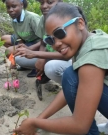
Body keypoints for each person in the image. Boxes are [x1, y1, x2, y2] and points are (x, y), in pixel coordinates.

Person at [13, 2, 108, 135]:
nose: (56, 43)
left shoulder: (92, 56)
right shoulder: (88, 41)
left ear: (80, 24)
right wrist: (39, 119)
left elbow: (79, 126)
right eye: (50, 40)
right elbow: (71, 87)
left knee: (70, 74)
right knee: (71, 75)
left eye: (60, 32)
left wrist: (35, 123)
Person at [14, 0, 72, 84]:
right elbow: (43, 41)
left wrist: (37, 55)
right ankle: (44, 73)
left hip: (66, 59)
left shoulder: (68, 20)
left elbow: (67, 55)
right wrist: (41, 59)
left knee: (51, 67)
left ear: (60, 2)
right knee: (19, 58)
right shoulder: (44, 18)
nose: (44, 6)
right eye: (41, 3)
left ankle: (70, 86)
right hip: (49, 56)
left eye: (49, 2)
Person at [1, 0, 41, 77]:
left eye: (14, 6)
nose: (10, 10)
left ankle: (35, 66)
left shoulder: (32, 18)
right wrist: (21, 45)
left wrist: (29, 48)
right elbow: (19, 37)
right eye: (8, 7)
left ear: (21, 5)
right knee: (4, 39)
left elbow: (45, 39)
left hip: (37, 43)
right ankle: (24, 65)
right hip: (26, 41)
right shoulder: (14, 19)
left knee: (9, 51)